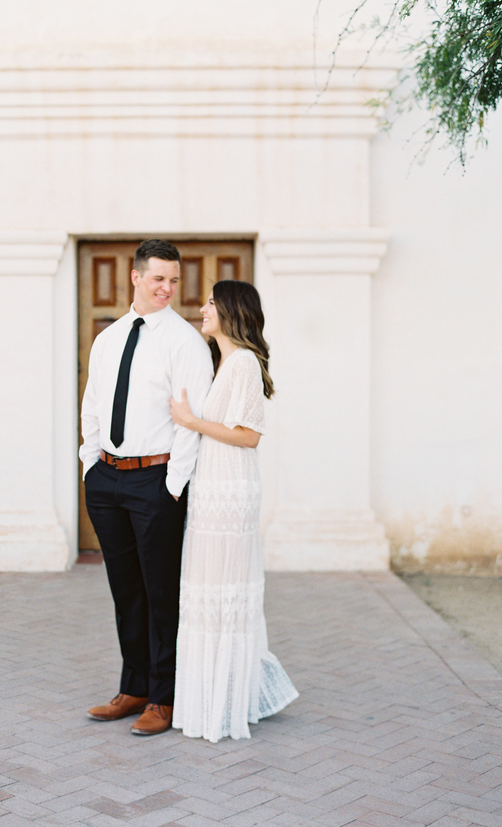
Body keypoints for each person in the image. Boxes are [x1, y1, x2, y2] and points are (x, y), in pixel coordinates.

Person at [79, 239, 213, 735]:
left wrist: (172, 486)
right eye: (158, 278)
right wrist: (90, 464)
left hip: (156, 481)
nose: (168, 289)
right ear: (135, 277)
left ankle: (164, 696)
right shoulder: (109, 337)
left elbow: (190, 422)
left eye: (174, 281)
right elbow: (93, 404)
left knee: (161, 593)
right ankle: (133, 687)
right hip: (108, 478)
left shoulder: (185, 342)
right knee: (125, 591)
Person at [169, 280, 298, 743]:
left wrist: (191, 421)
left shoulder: (242, 362)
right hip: (210, 488)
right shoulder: (221, 361)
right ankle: (217, 696)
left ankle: (227, 704)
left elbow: (248, 435)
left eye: (209, 302)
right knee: (210, 590)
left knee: (223, 590)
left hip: (231, 490)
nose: (202, 309)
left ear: (229, 310)